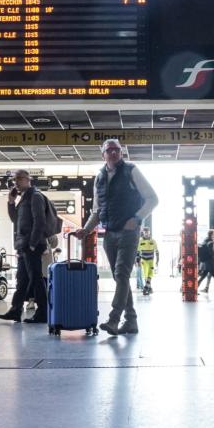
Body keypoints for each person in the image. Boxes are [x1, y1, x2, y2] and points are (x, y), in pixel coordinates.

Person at [73, 139, 158, 335]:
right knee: (120, 278)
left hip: (129, 232)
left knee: (121, 274)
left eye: (117, 150)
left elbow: (153, 198)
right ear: (103, 154)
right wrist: (86, 230)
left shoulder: (131, 170)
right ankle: (131, 321)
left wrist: (137, 218)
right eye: (109, 150)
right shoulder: (100, 177)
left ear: (121, 152)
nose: (113, 153)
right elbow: (97, 210)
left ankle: (114, 319)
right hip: (109, 234)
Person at [0, 169, 50, 324]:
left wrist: (32, 244)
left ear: (28, 180)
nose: (16, 182)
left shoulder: (35, 196)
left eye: (19, 179)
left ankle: (43, 313)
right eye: (15, 180)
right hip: (24, 246)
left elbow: (40, 222)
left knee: (36, 279)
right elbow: (15, 220)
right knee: (22, 279)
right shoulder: (24, 199)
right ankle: (15, 310)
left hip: (32, 245)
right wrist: (11, 202)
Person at [137, 227, 158, 296]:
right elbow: (138, 252)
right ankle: (147, 287)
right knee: (145, 274)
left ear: (149, 233)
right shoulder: (140, 241)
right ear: (143, 233)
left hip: (151, 260)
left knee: (150, 273)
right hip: (144, 261)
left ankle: (147, 287)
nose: (146, 234)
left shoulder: (153, 241)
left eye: (147, 232)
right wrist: (138, 261)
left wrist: (157, 260)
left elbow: (157, 251)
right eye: (145, 232)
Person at [197, 230, 214, 294]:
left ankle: (195, 289)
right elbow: (211, 252)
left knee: (203, 276)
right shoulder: (210, 242)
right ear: (212, 234)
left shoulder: (205, 240)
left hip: (205, 261)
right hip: (209, 262)